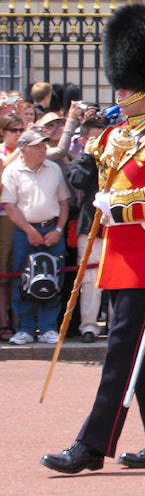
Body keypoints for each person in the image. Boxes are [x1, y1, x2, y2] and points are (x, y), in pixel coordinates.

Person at [40, 3, 145, 474]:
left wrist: (118, 204)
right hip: (121, 256)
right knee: (142, 352)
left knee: (120, 354)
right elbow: (80, 173)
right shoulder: (119, 136)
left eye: (128, 84)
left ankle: (93, 444)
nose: (120, 90)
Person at [2, 129, 70, 345]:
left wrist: (58, 230)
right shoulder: (12, 171)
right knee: (23, 280)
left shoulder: (54, 169)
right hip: (24, 232)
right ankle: (25, 328)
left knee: (54, 278)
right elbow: (10, 207)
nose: (43, 149)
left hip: (52, 229)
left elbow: (64, 203)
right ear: (23, 148)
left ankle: (49, 327)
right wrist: (29, 230)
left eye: (44, 145)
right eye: (38, 146)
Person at [65, 118, 105, 343]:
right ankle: (89, 325)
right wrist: (89, 155)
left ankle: (116, 322)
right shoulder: (80, 161)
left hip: (116, 224)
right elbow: (78, 180)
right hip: (91, 225)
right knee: (90, 278)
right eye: (93, 138)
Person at [0, 113, 25, 340]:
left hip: (24, 216)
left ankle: (19, 322)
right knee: (3, 274)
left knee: (17, 272)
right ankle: (4, 322)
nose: (18, 135)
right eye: (13, 131)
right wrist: (21, 147)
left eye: (21, 130)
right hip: (4, 216)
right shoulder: (4, 151)